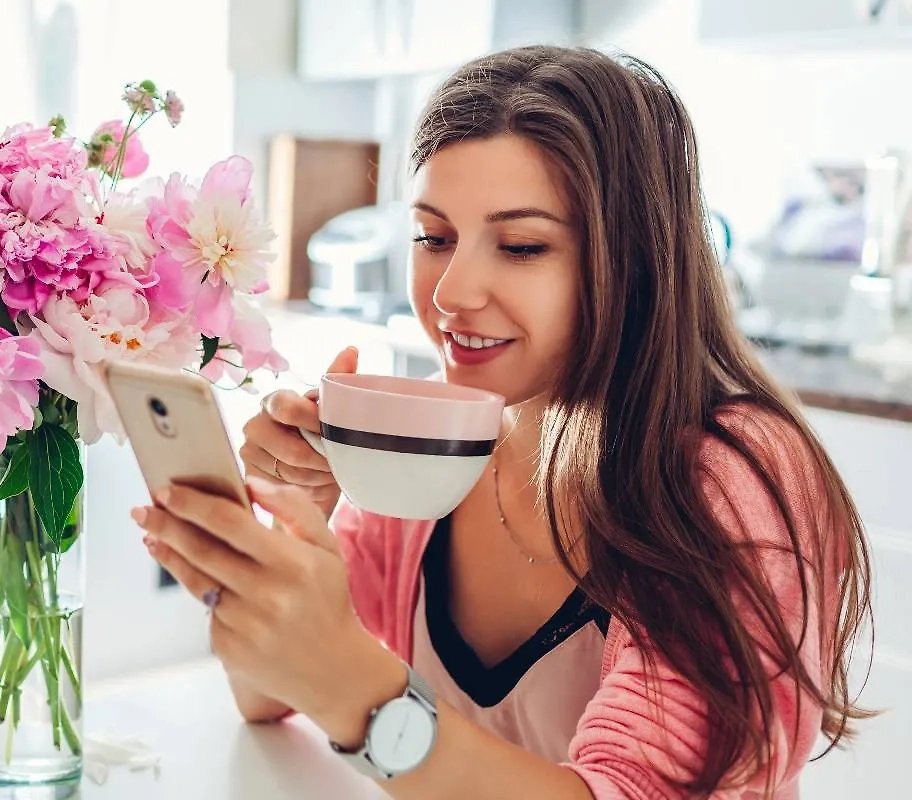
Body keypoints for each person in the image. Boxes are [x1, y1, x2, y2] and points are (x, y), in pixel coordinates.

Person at [130, 45, 873, 799]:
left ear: (637, 261)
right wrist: (296, 537)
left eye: (521, 246)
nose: (451, 292)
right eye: (433, 237)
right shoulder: (437, 445)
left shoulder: (732, 477)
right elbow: (266, 699)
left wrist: (363, 694)